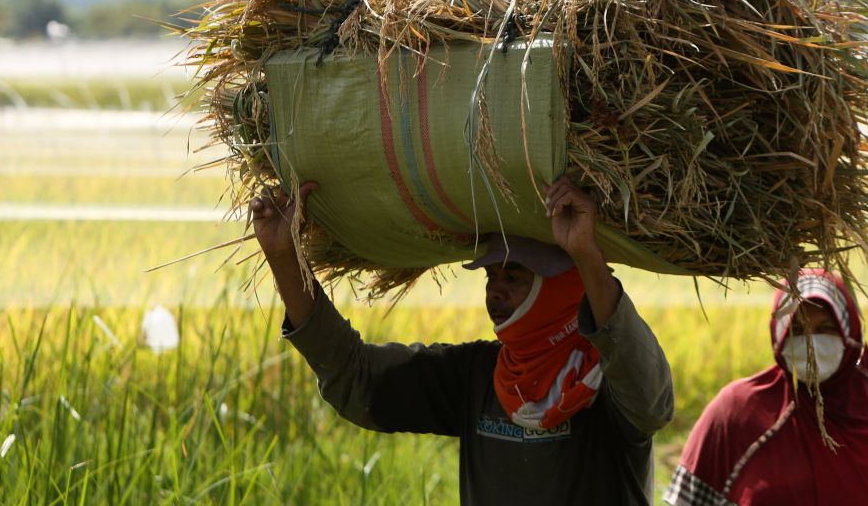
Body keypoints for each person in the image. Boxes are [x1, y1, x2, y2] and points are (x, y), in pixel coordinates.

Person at [251, 174, 675, 505]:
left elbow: (653, 401)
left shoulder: (609, 385)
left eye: (514, 277)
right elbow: (357, 379)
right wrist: (285, 259)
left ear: (563, 288)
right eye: (492, 275)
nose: (495, 290)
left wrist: (587, 256)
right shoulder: (479, 378)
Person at [664, 269, 868, 506]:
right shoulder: (738, 412)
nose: (811, 344)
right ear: (779, 334)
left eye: (826, 328)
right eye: (798, 329)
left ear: (850, 333)